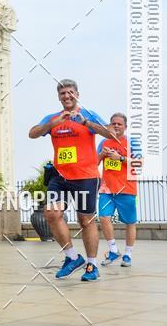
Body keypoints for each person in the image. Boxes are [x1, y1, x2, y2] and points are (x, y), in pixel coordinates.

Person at [29, 79, 115, 282]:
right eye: (63, 94)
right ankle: (72, 258)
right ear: (59, 97)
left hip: (86, 176)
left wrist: (85, 123)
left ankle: (92, 266)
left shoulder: (88, 114)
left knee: (85, 220)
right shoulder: (53, 118)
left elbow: (111, 133)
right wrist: (52, 124)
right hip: (60, 176)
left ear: (77, 94)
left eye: (70, 93)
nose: (67, 96)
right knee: (51, 212)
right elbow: (32, 133)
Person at [98, 113, 142, 267]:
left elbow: (140, 163)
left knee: (129, 222)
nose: (116, 126)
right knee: (103, 217)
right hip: (106, 189)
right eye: (113, 123)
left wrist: (121, 158)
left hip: (127, 188)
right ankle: (113, 250)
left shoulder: (133, 142)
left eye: (119, 124)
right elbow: (94, 162)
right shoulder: (103, 142)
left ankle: (128, 254)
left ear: (125, 126)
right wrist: (101, 155)